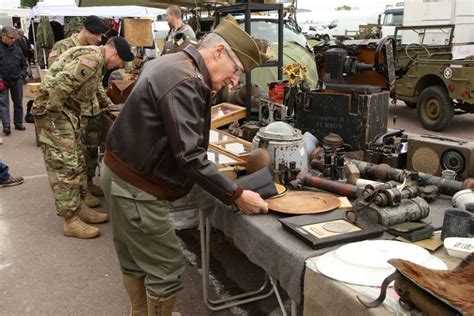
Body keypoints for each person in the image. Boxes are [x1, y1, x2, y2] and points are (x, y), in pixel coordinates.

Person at [101, 15, 268, 315]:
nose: (235, 81)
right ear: (218, 52)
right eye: (237, 70)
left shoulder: (177, 63)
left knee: (133, 258)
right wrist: (236, 194)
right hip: (138, 188)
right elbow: (190, 156)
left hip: (121, 174)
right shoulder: (187, 79)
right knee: (167, 267)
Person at [32, 37, 134, 240]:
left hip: (66, 113)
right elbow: (62, 85)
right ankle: (71, 220)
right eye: (120, 62)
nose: (119, 66)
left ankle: (79, 208)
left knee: (77, 160)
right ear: (114, 54)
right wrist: (53, 116)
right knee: (65, 165)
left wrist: (106, 105)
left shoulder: (95, 58)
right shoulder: (92, 58)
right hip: (55, 113)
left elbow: (92, 86)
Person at [48, 15, 110, 209]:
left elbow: (97, 81)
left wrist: (105, 102)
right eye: (96, 34)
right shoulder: (63, 46)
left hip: (91, 109)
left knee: (90, 151)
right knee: (76, 154)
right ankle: (81, 193)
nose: (99, 39)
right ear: (85, 29)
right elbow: (57, 79)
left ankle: (89, 183)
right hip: (72, 110)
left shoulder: (95, 51)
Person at [0, 26, 27, 136]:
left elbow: (24, 64)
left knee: (18, 102)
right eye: (11, 37)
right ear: (3, 36)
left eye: (14, 38)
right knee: (3, 104)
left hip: (16, 79)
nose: (13, 40)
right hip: (3, 81)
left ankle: (18, 123)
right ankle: (6, 126)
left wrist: (22, 75)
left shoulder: (17, 48)